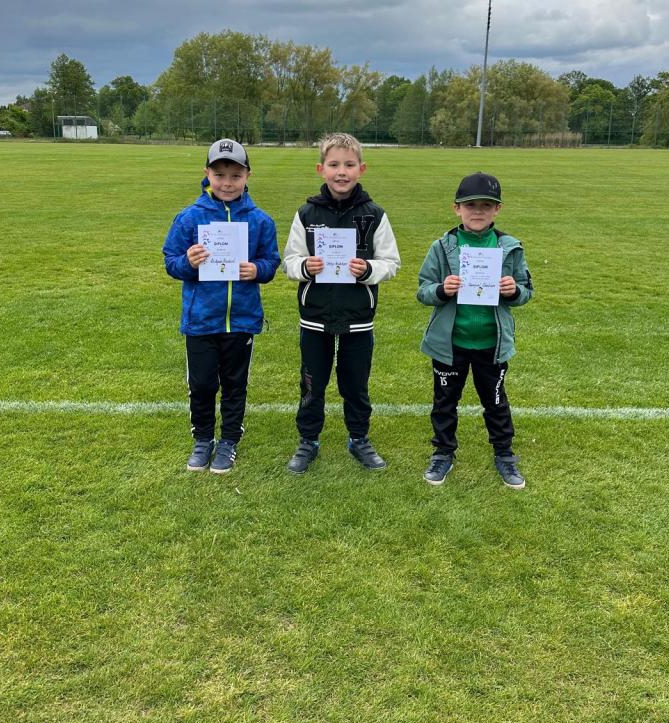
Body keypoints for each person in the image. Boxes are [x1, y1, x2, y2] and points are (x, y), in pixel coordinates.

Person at [282, 132, 401, 474]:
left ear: (361, 169)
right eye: (334, 164)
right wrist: (306, 266)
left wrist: (368, 270)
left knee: (355, 384)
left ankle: (359, 438)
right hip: (315, 316)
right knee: (311, 383)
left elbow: (391, 262)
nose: (341, 172)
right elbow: (289, 261)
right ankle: (308, 440)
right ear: (321, 169)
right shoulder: (306, 213)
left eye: (349, 165)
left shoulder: (374, 215)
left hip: (358, 317)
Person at [162, 138, 280, 474]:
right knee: (201, 384)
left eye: (235, 175)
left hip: (241, 319)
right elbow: (171, 262)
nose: (227, 183)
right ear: (207, 174)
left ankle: (228, 440)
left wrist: (257, 270)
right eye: (219, 175)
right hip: (201, 319)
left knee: (234, 385)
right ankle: (203, 439)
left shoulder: (260, 221)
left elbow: (271, 261)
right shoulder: (189, 218)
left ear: (247, 176)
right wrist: (188, 262)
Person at [417, 172, 533, 488]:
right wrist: (442, 289)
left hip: (491, 343)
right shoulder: (442, 247)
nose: (478, 211)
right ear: (457, 208)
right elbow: (423, 290)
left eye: (486, 205)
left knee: (495, 402)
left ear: (497, 209)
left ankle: (504, 454)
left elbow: (526, 290)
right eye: (470, 205)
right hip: (450, 343)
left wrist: (513, 290)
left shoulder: (509, 247)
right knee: (444, 402)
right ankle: (443, 453)